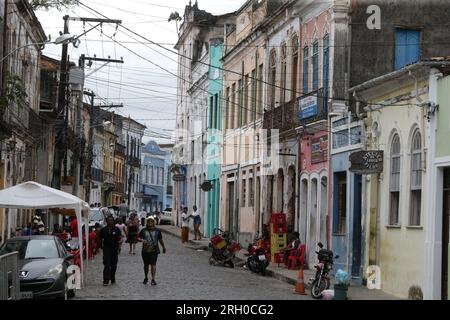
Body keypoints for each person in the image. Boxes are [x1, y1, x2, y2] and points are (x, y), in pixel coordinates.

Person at [138, 217, 166, 285]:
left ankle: (153, 279)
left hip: (154, 250)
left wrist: (163, 247)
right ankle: (146, 277)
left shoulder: (157, 231)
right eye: (148, 221)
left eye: (151, 221)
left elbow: (160, 239)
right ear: (146, 222)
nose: (150, 223)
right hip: (145, 250)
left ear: (154, 222)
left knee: (153, 264)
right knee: (146, 265)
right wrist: (142, 240)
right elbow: (138, 238)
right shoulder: (143, 230)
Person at [98, 216, 123, 286]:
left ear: (113, 221)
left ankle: (112, 277)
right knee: (107, 264)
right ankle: (105, 279)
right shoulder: (103, 230)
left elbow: (120, 237)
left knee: (114, 265)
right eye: (108, 220)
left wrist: (120, 242)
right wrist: (100, 246)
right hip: (106, 249)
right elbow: (99, 238)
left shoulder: (117, 229)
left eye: (111, 220)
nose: (110, 222)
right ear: (106, 221)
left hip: (114, 249)